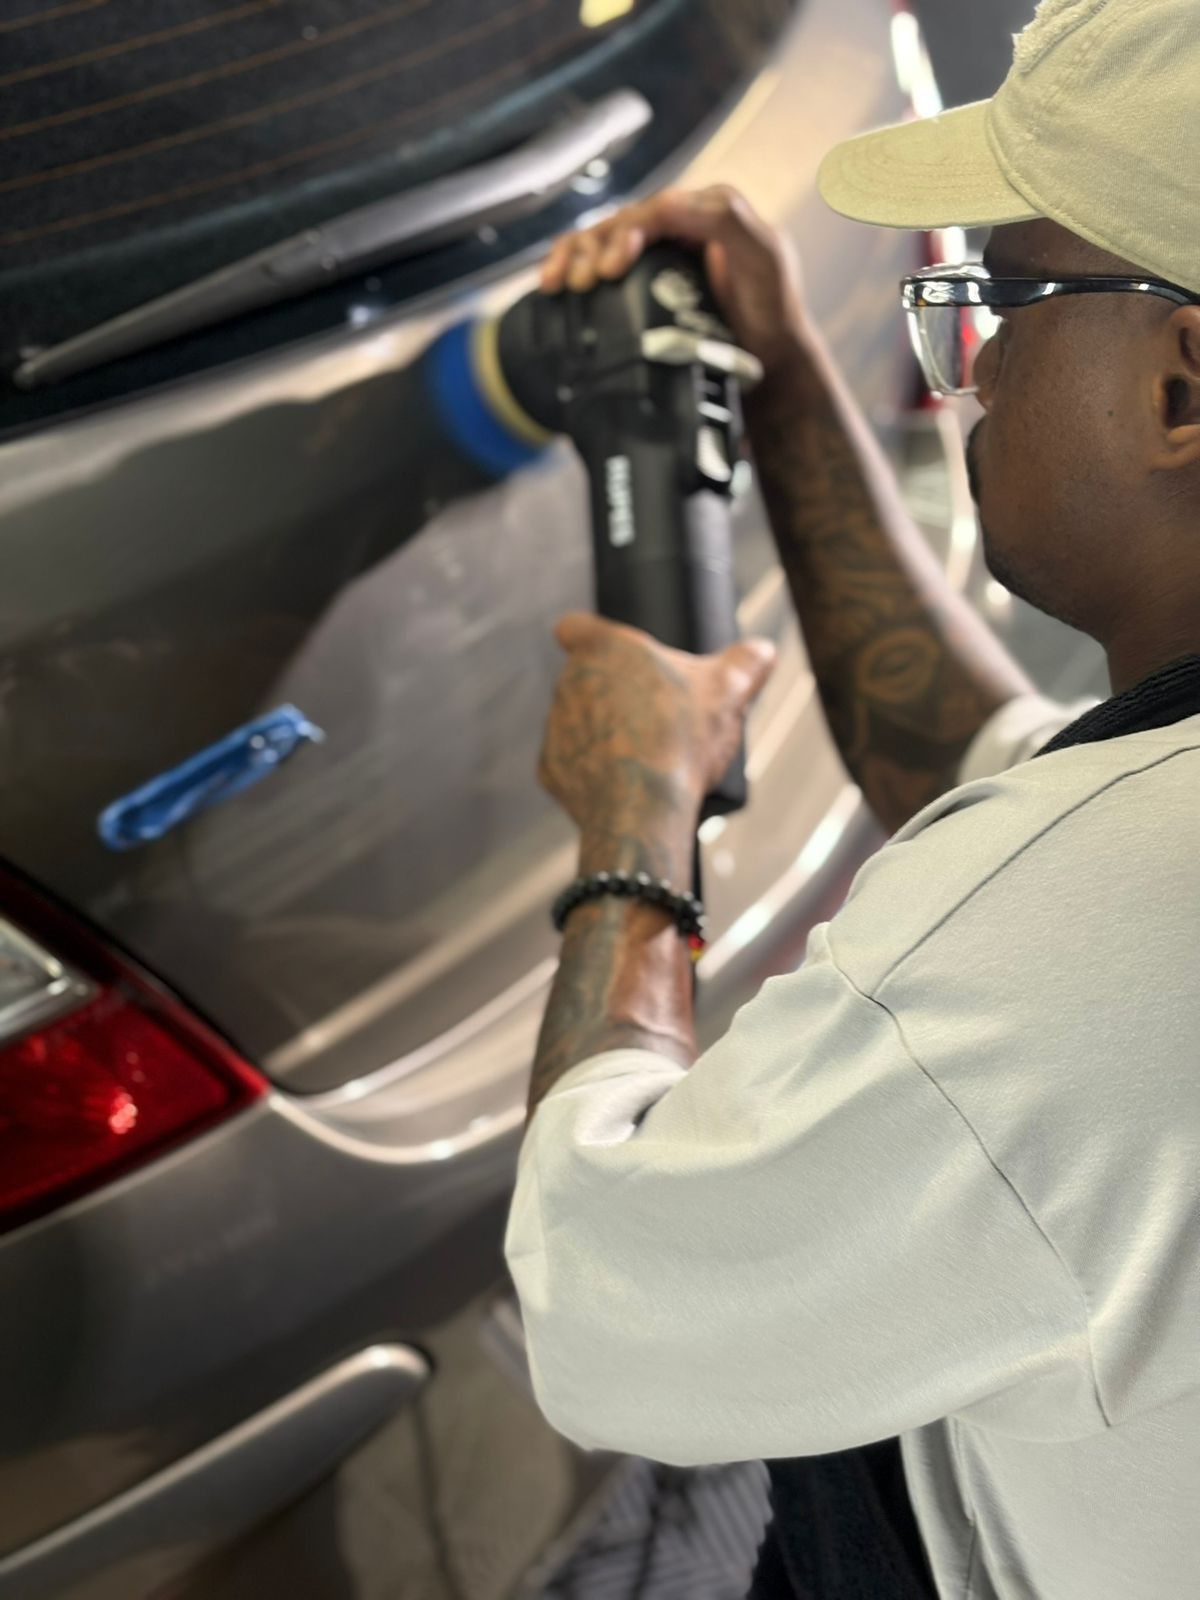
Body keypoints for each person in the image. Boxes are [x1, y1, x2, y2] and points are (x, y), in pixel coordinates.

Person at [503, 1, 1200, 1595]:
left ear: (1181, 387)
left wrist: (635, 830)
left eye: (1010, 298)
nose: (974, 363)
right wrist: (792, 392)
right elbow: (987, 764)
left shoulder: (1073, 967)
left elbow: (605, 1301)